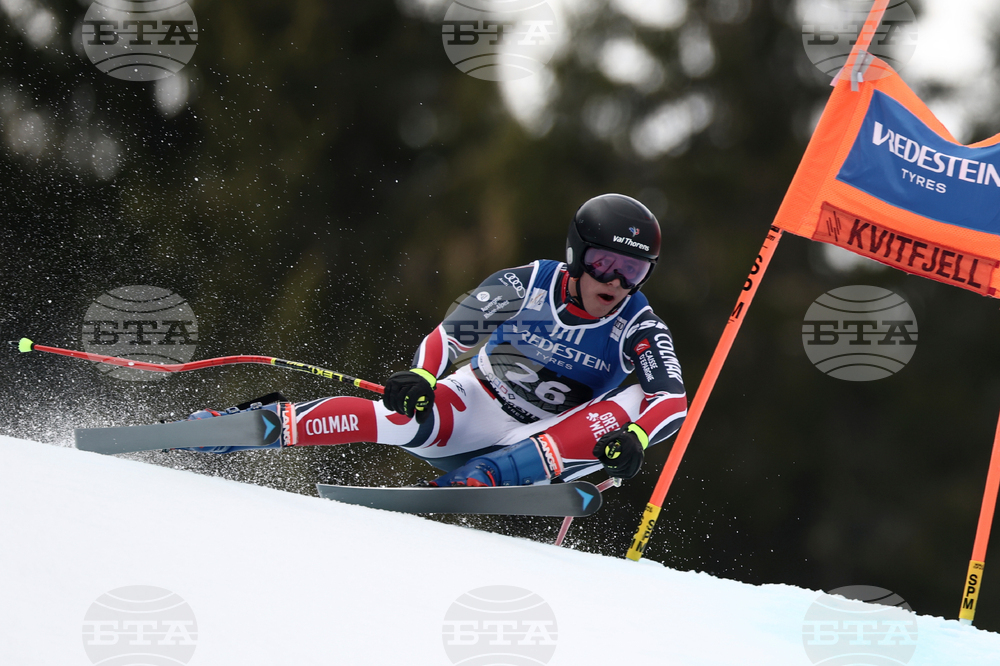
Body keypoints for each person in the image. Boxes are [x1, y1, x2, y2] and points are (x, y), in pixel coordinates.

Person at [189, 194, 687, 487]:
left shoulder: (639, 325)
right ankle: (241, 427)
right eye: (606, 264)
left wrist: (637, 437)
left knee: (640, 395)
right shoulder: (527, 283)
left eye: (634, 271)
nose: (617, 283)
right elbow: (453, 333)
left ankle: (487, 477)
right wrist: (424, 374)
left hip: (552, 435)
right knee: (391, 417)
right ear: (578, 256)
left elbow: (673, 401)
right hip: (476, 402)